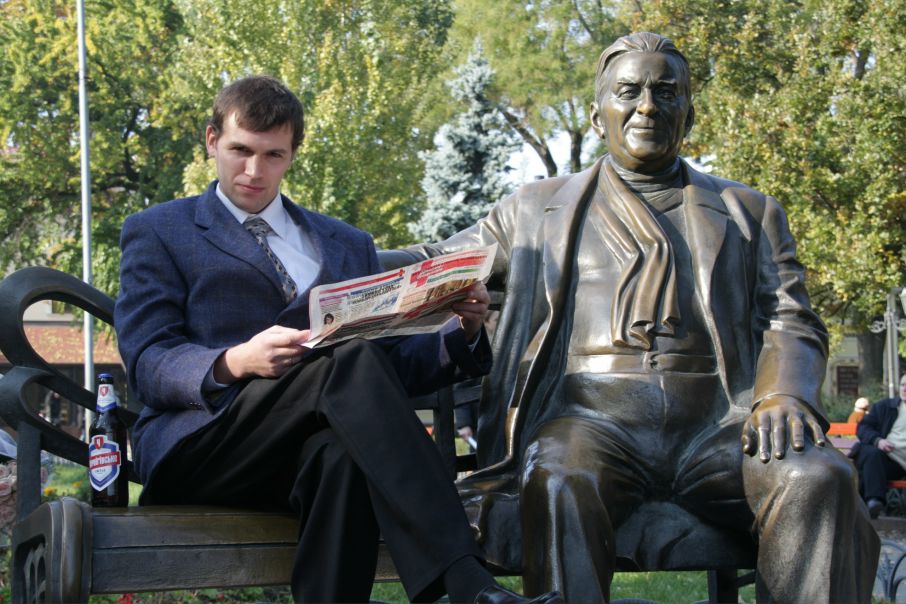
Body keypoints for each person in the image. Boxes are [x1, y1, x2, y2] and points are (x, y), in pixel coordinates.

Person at [401, 32, 879, 604]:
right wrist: (337, 258)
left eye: (665, 92)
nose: (647, 106)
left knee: (817, 476)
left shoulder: (749, 212)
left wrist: (783, 395)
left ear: (688, 114)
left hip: (716, 428)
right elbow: (433, 263)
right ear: (597, 114)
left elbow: (791, 317)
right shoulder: (533, 209)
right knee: (558, 476)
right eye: (629, 91)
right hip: (588, 422)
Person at [114, 75, 562, 604]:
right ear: (213, 140)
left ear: (292, 154)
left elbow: (386, 366)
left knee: (339, 455)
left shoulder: (347, 244)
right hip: (203, 445)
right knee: (346, 360)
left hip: (301, 453)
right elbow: (148, 360)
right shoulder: (161, 230)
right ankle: (468, 582)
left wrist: (462, 330)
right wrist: (236, 360)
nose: (254, 171)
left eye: (273, 155)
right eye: (240, 151)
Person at [853, 374, 906, 518]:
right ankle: (873, 502)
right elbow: (863, 428)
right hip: (882, 457)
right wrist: (878, 441)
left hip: (898, 465)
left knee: (865, 466)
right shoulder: (885, 407)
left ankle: (863, 507)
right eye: (902, 385)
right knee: (872, 453)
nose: (904, 389)